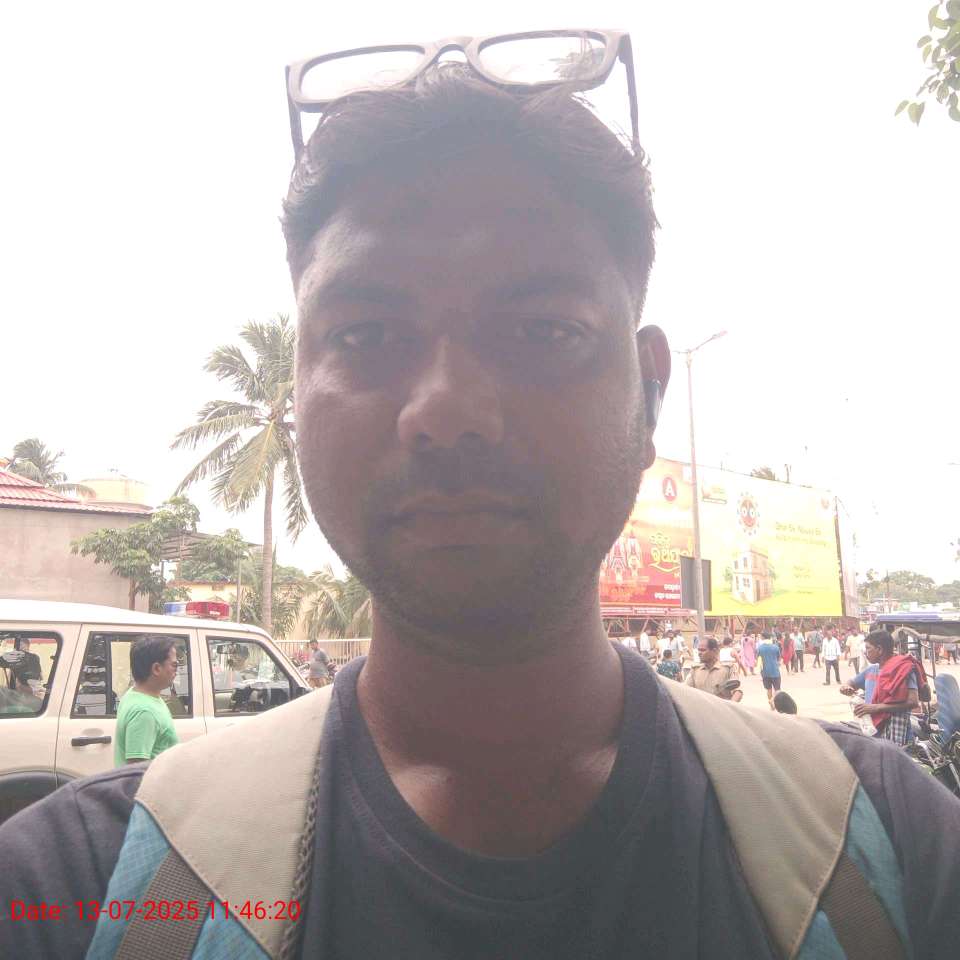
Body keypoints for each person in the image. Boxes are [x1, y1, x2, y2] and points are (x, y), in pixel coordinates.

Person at [3, 41, 960, 960]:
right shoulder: (78, 890)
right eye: (368, 334)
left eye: (543, 330)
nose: (447, 410)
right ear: (295, 391)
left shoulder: (888, 852)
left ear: (648, 391)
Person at [840, 630, 921, 746]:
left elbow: (913, 701)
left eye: (868, 648)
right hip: (873, 730)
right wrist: (845, 687)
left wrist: (876, 708)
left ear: (879, 649)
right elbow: (851, 682)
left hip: (896, 734)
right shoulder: (871, 670)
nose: (865, 652)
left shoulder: (903, 669)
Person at [114, 636, 180, 766]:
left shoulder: (135, 693)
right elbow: (136, 771)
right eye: (174, 665)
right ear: (156, 669)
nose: (176, 671)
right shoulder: (144, 712)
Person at [756, 632, 783, 710]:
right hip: (775, 671)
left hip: (765, 672)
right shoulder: (775, 647)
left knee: (768, 689)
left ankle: (772, 706)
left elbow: (758, 659)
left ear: (763, 637)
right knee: (777, 689)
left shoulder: (760, 648)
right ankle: (773, 700)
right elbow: (779, 659)